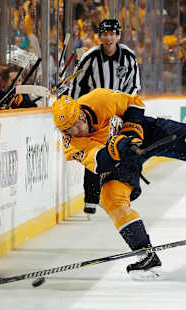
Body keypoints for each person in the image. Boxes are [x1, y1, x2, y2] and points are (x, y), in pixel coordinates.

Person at [51, 88, 186, 278]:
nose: (76, 131)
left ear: (81, 114)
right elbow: (99, 162)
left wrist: (130, 131)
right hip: (120, 159)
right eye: (68, 129)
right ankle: (145, 253)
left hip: (143, 131)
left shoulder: (98, 99)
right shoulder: (71, 144)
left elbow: (134, 102)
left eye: (76, 123)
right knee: (111, 198)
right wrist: (118, 147)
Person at [70, 19, 142, 215]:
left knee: (124, 150)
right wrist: (77, 112)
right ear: (100, 36)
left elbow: (134, 86)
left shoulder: (128, 57)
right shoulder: (90, 57)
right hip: (95, 114)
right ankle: (91, 200)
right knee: (96, 153)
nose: (109, 38)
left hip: (120, 113)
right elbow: (76, 86)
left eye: (112, 33)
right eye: (105, 34)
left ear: (118, 36)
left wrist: (125, 111)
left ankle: (122, 192)